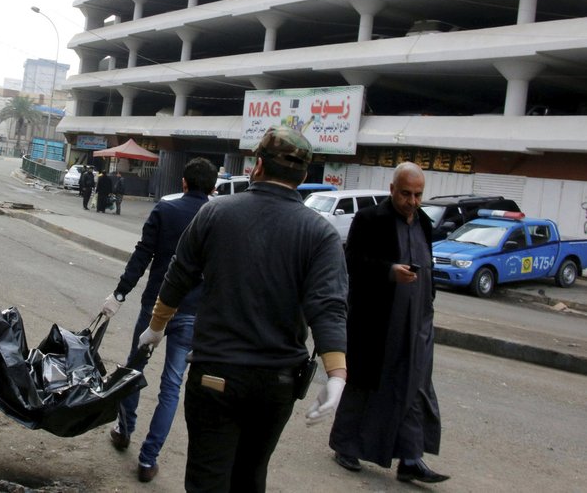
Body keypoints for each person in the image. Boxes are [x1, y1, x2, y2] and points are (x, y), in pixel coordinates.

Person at [137, 126, 349, 492]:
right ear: (302, 176)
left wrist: (157, 327)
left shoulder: (215, 213)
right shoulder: (321, 233)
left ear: (257, 167)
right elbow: (328, 306)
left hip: (215, 375)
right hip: (277, 383)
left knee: (208, 480)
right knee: (250, 478)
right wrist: (337, 374)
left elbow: (177, 276)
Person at [328, 162, 448, 484]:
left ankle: (411, 458)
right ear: (392, 189)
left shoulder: (423, 222)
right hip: (378, 321)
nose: (412, 201)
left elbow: (428, 264)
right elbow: (351, 261)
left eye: (418, 195)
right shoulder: (370, 219)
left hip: (418, 320)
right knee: (365, 385)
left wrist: (429, 298)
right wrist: (388, 271)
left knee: (414, 385)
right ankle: (345, 445)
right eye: (406, 193)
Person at [100, 157, 218, 483]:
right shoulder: (218, 218)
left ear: (182, 183)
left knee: (134, 369)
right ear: (213, 188)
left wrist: (119, 294)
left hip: (155, 306)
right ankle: (148, 459)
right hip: (192, 314)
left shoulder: (164, 210)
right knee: (172, 385)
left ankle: (124, 430)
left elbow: (142, 255)